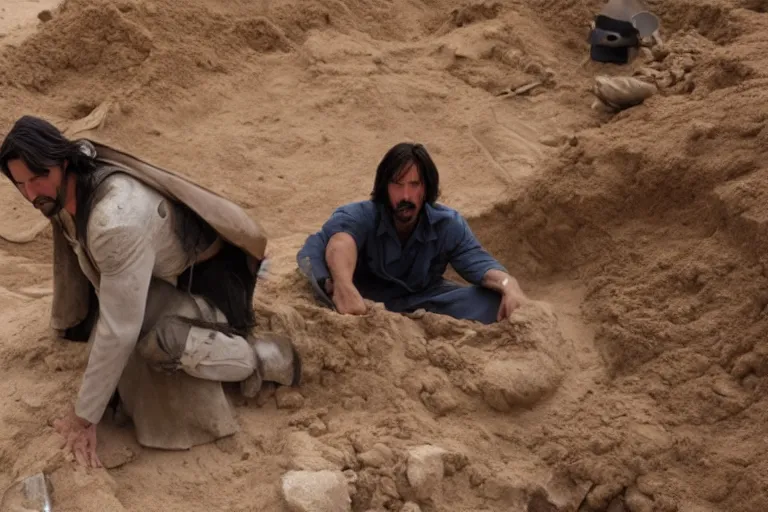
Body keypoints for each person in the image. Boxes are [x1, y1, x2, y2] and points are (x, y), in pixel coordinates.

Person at [0, 116, 301, 467]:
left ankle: (260, 359)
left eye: (38, 178)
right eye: (21, 184)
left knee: (161, 344)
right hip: (164, 281)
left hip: (213, 289)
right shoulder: (69, 186)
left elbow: (119, 329)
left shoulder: (115, 221)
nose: (32, 194)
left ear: (63, 162)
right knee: (120, 349)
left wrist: (84, 419)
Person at [296, 142, 528, 324]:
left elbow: (480, 263)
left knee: (496, 302)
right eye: (397, 185)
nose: (405, 196)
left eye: (414, 185)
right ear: (384, 188)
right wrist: (343, 286)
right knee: (319, 261)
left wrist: (510, 285)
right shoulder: (360, 214)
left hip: (422, 299)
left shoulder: (447, 224)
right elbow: (341, 243)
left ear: (426, 188)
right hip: (364, 296)